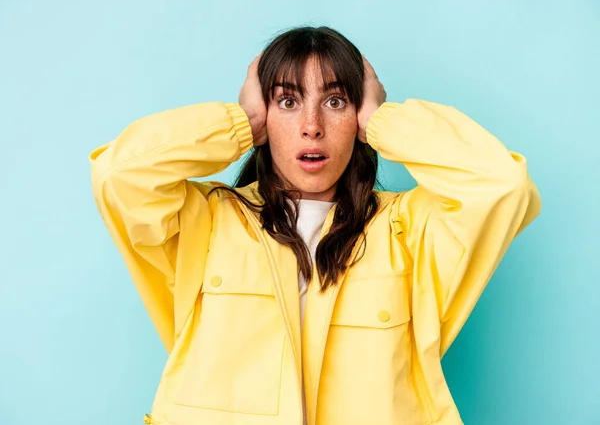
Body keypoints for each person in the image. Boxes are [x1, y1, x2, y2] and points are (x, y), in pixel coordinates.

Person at [90, 26, 541, 425]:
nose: (312, 126)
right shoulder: (208, 222)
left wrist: (382, 121)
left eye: (335, 100)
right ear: (265, 115)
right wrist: (240, 124)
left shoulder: (406, 231)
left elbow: (502, 184)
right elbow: (118, 176)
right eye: (287, 101)